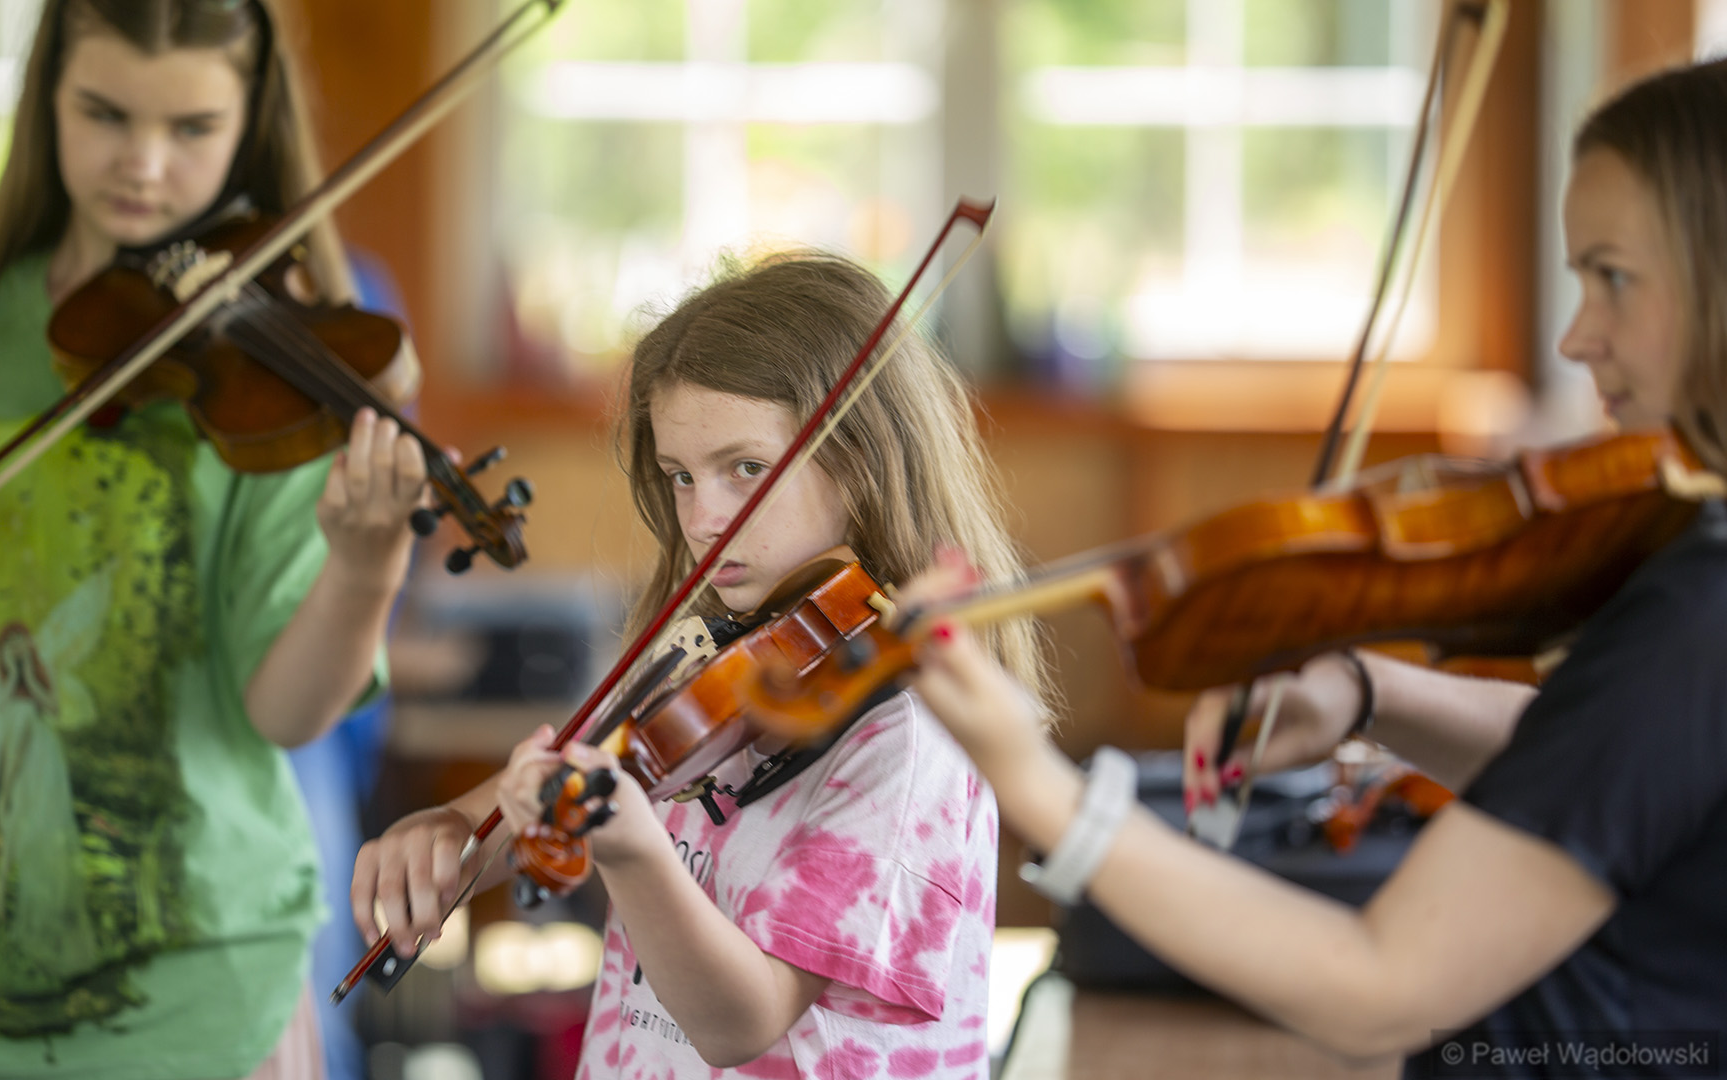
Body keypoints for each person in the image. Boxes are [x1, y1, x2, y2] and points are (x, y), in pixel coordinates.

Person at [897, 58, 1727, 1078]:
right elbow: (1614, 765)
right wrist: (1368, 691)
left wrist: (1036, 783)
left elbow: (1381, 985)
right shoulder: (1698, 582)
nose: (1576, 335)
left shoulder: (1699, 608)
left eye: (1613, 277)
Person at [0, 1, 433, 1076]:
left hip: (195, 1007)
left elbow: (284, 714)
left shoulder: (275, 368)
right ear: (46, 98)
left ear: (249, 124)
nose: (143, 163)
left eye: (191, 128)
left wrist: (369, 563)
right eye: (104, 113)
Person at [352, 252, 1050, 1077]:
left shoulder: (905, 734)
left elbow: (740, 1021)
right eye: (681, 476)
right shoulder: (714, 656)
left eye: (745, 469)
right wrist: (454, 831)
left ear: (863, 461)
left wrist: (632, 852)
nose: (704, 517)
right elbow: (560, 793)